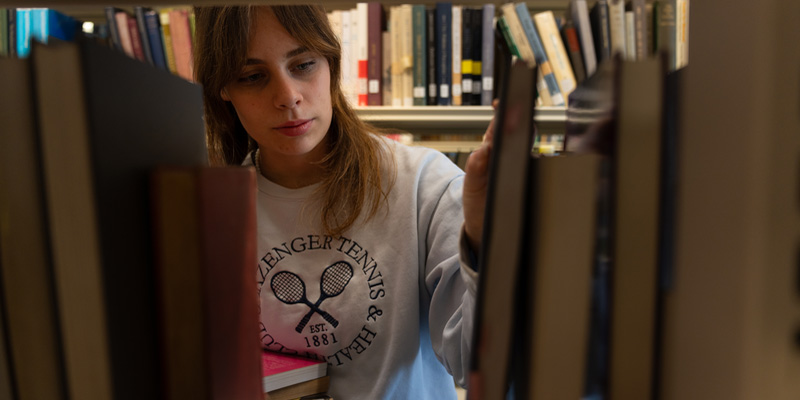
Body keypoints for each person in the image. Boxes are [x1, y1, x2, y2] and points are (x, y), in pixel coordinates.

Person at [193, 5, 494, 399]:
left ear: (331, 63)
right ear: (223, 88)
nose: (288, 96)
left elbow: (482, 368)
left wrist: (485, 243)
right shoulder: (210, 212)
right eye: (252, 77)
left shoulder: (426, 185)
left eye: (303, 65)